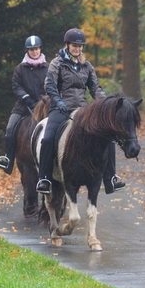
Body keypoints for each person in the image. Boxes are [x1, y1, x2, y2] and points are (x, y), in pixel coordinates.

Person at [36, 28, 125, 195]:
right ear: (67, 45)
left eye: (80, 46)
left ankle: (111, 177)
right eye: (74, 45)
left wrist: (104, 103)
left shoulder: (87, 65)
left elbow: (95, 88)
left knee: (108, 136)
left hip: (82, 109)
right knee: (48, 139)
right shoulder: (57, 63)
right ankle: (44, 178)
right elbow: (50, 86)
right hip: (60, 108)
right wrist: (58, 101)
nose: (77, 48)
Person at [0, 35, 48, 175]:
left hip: (44, 107)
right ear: (27, 51)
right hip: (24, 106)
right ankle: (8, 159)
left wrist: (45, 99)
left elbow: (52, 86)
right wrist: (25, 97)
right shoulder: (20, 68)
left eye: (36, 49)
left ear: (40, 49)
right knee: (9, 130)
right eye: (31, 50)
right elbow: (16, 85)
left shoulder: (48, 68)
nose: (34, 52)